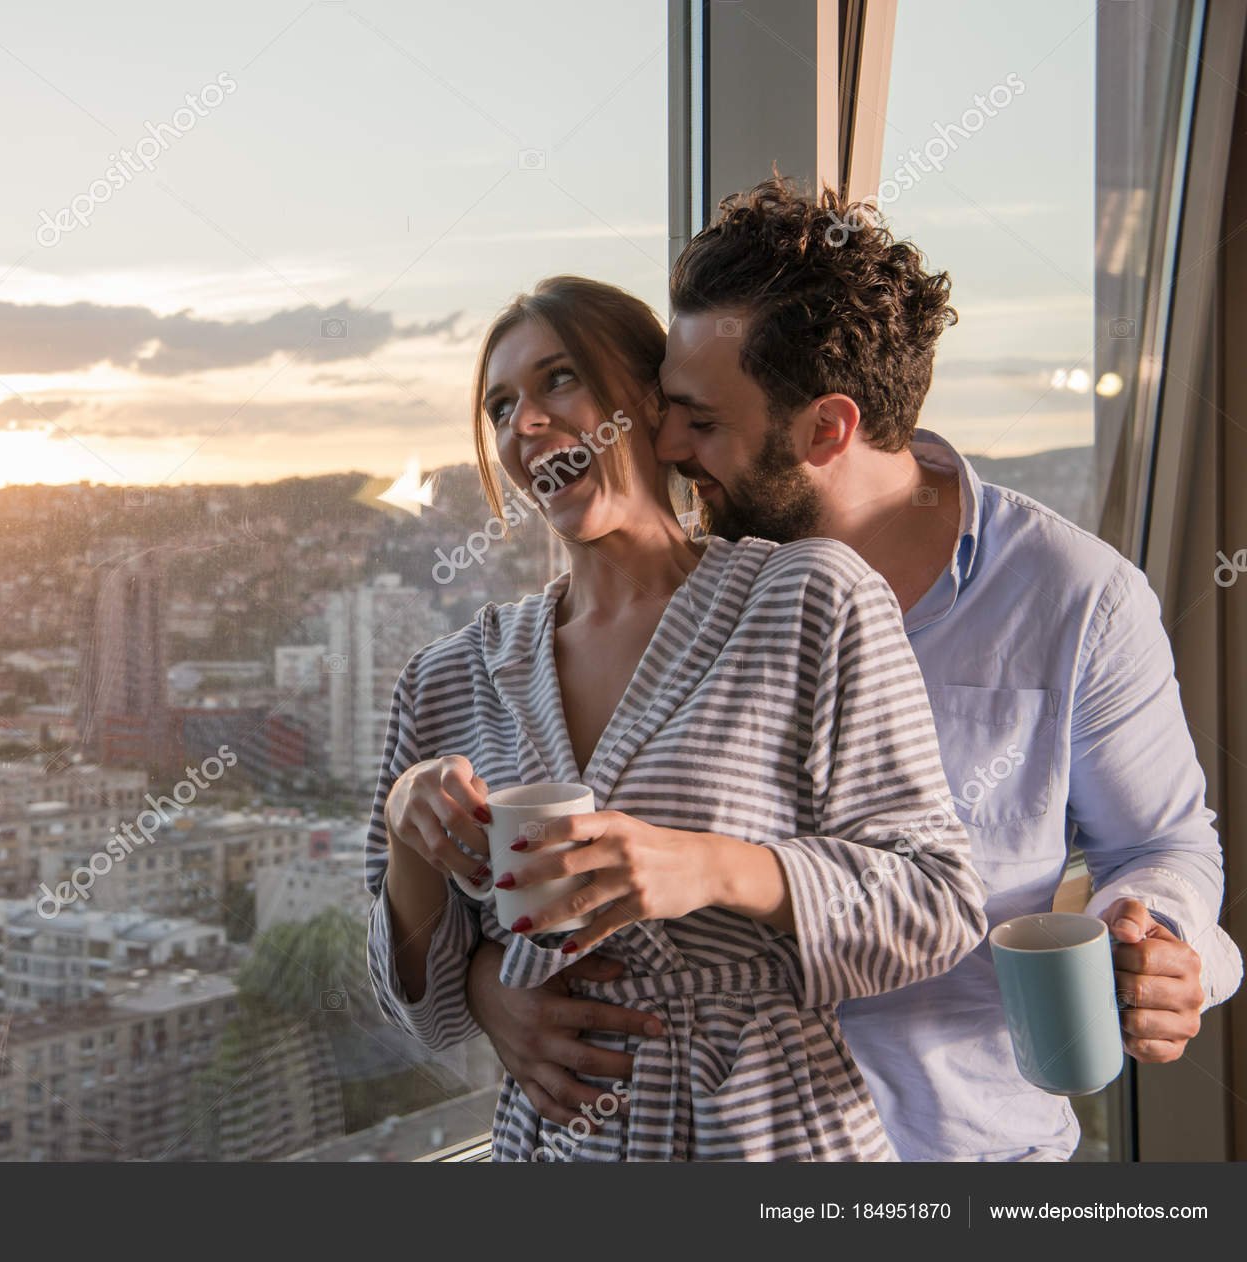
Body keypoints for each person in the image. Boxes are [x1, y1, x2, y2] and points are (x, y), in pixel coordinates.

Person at [464, 181, 1243, 1161]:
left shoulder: (1072, 597)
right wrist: (485, 979)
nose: (663, 445)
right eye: (665, 408)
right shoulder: (678, 594)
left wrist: (1171, 946)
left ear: (825, 429)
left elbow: (1164, 843)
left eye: (700, 421)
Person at [365, 274, 988, 1161]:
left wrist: (715, 868)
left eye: (559, 380)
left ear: (651, 405)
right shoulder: (446, 679)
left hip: (774, 1138)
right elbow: (419, 1013)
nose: (525, 424)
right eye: (501, 406)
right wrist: (408, 841)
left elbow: (935, 902)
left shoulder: (809, 598)